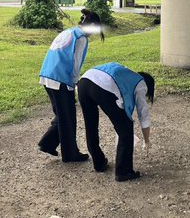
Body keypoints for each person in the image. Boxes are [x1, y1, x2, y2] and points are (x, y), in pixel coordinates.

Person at [77, 63, 154, 181]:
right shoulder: (141, 83)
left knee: (91, 126)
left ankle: (99, 163)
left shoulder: (127, 74)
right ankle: (124, 171)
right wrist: (146, 140)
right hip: (102, 86)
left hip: (84, 81)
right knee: (126, 128)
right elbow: (143, 114)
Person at [37, 25, 92, 162]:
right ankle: (70, 154)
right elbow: (76, 64)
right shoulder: (81, 38)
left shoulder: (69, 31)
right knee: (68, 117)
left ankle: (47, 143)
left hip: (47, 75)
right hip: (60, 78)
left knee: (62, 114)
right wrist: (73, 84)